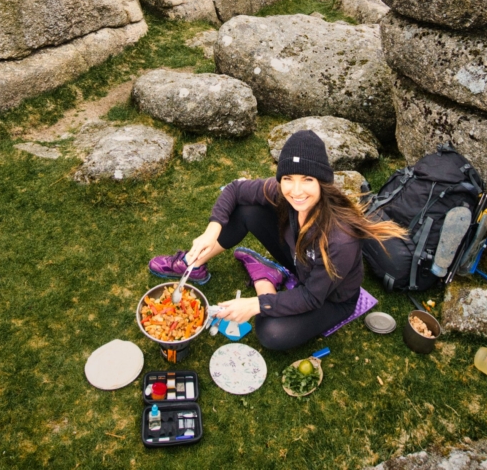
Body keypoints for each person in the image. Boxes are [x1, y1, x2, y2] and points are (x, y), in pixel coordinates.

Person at [149, 130, 405, 351]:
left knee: (271, 332)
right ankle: (194, 263)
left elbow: (311, 298)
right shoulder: (283, 192)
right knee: (245, 210)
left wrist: (255, 304)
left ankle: (264, 276)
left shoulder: (341, 238)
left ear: (323, 182)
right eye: (288, 178)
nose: (296, 191)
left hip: (330, 298)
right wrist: (211, 231)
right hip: (298, 259)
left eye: (307, 180)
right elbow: (235, 189)